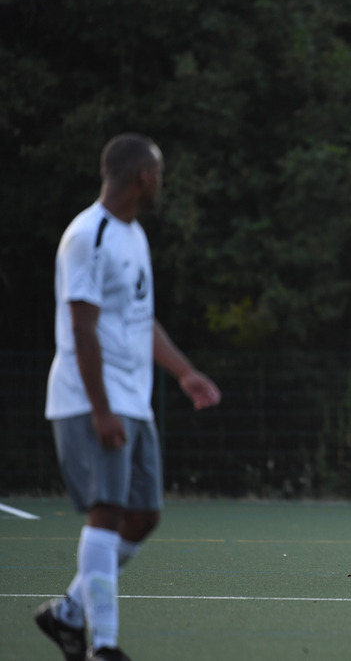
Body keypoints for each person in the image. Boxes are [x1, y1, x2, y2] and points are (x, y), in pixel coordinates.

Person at [35, 134, 221, 661]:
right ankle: (105, 646)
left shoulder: (133, 235)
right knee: (108, 509)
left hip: (133, 400)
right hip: (90, 397)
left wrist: (185, 373)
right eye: (158, 172)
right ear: (143, 176)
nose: (160, 181)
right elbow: (81, 328)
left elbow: (141, 320)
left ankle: (68, 613)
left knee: (144, 514)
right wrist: (99, 408)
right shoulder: (87, 236)